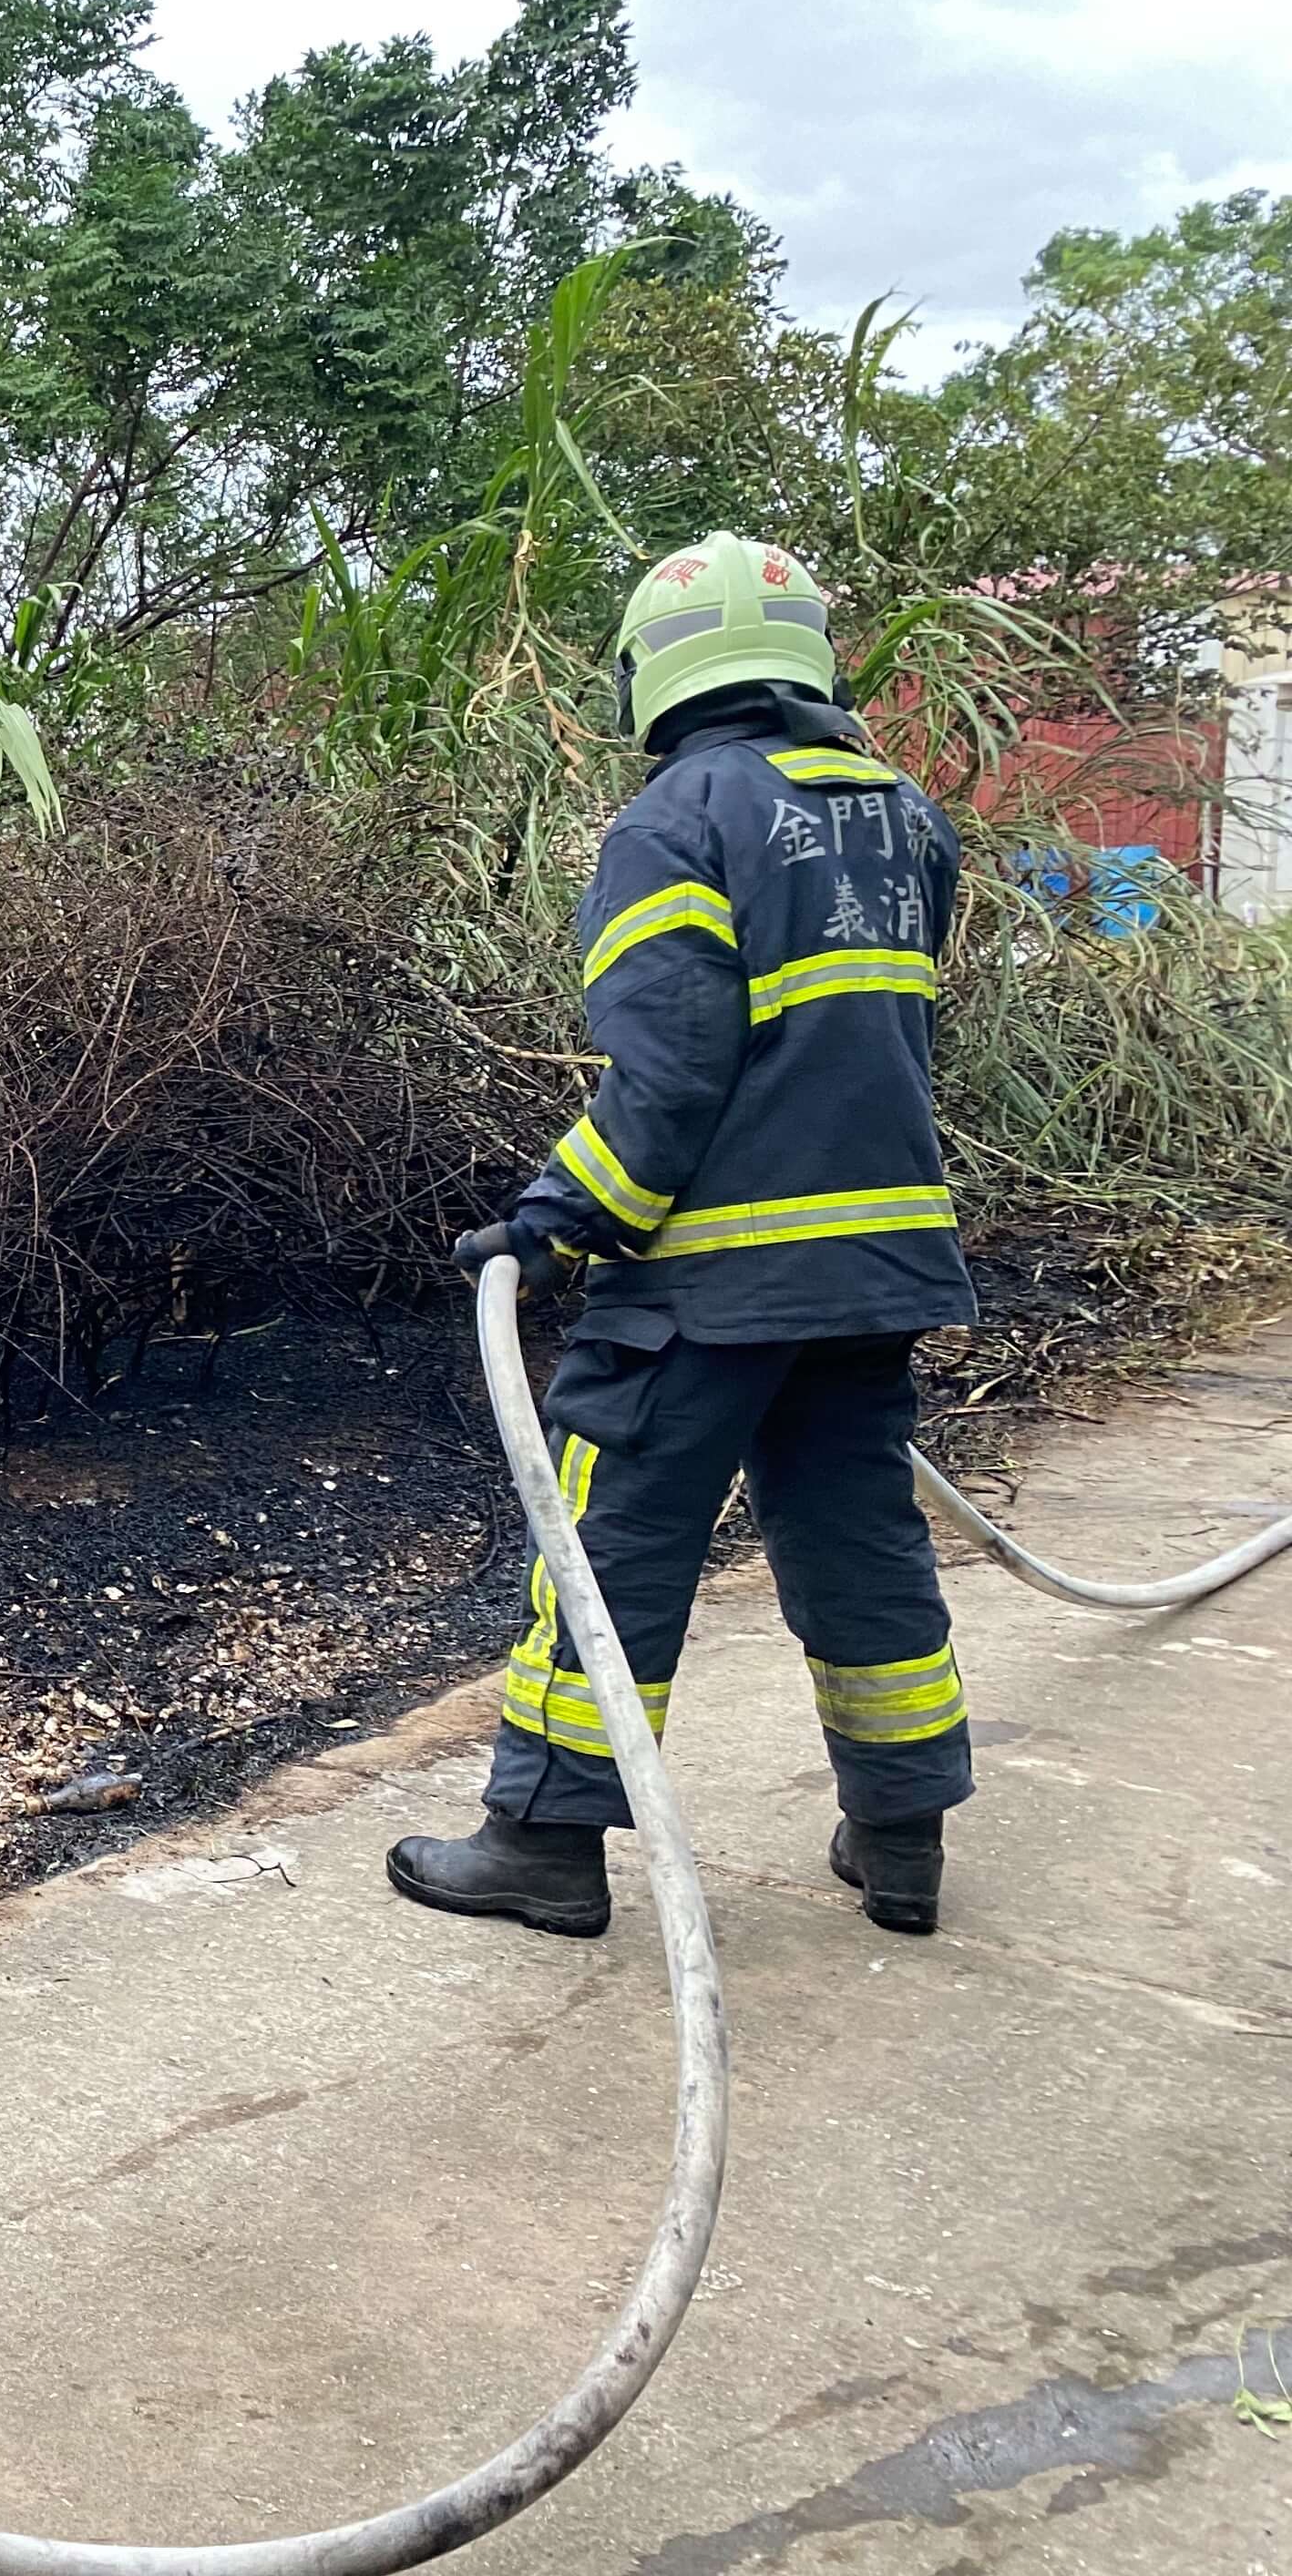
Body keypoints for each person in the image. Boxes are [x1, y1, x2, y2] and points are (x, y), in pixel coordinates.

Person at [394, 533, 977, 1940]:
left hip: (711, 1281)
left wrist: (556, 1218)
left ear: (653, 675)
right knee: (857, 1538)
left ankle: (540, 1837)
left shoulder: (678, 821)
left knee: (612, 1543)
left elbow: (671, 1072)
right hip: (875, 1266)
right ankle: (901, 1840)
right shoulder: (905, 814)